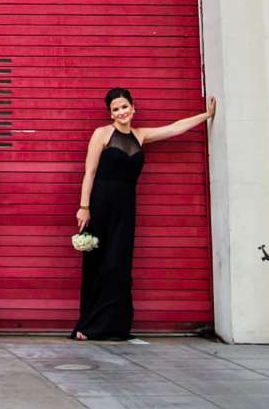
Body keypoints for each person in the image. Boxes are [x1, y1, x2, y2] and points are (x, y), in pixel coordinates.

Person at [73, 88, 216, 342]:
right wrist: (84, 206)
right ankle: (89, 325)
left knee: (119, 264)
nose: (121, 112)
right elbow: (90, 172)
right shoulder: (102, 134)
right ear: (111, 113)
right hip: (102, 204)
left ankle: (114, 326)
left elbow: (175, 127)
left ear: (133, 108)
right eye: (115, 109)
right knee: (99, 264)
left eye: (124, 107)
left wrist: (206, 115)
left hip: (126, 206)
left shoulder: (141, 135)